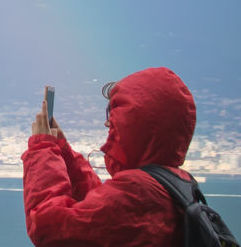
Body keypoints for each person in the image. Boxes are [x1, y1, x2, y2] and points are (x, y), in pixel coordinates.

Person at [22, 66, 198, 246]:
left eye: (113, 112)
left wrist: (42, 148)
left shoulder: (138, 193)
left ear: (133, 124)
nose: (107, 122)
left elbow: (48, 226)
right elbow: (100, 210)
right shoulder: (172, 186)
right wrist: (63, 152)